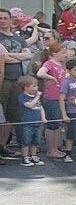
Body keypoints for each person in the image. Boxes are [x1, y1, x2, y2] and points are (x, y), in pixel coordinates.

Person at [0, 9, 39, 157]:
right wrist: (18, 57)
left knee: (12, 116)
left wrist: (8, 55)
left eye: (5, 18)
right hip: (3, 80)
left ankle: (2, 146)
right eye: (0, 18)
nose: (2, 20)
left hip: (18, 81)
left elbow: (28, 55)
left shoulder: (20, 39)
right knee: (0, 115)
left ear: (11, 20)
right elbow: (4, 60)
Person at [36, 42, 68, 159]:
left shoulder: (61, 65)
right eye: (63, 53)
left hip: (60, 97)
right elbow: (40, 73)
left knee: (57, 123)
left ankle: (55, 148)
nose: (65, 55)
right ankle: (51, 149)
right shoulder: (49, 63)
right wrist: (51, 77)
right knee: (52, 124)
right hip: (51, 97)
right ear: (54, 53)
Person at [17, 76, 46, 166]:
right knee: (26, 141)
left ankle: (33, 156)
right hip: (27, 123)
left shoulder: (35, 97)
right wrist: (37, 97)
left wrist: (43, 118)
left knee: (35, 141)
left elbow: (40, 107)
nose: (36, 88)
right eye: (33, 86)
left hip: (36, 123)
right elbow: (29, 105)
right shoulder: (22, 96)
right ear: (26, 87)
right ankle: (25, 157)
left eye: (36, 86)